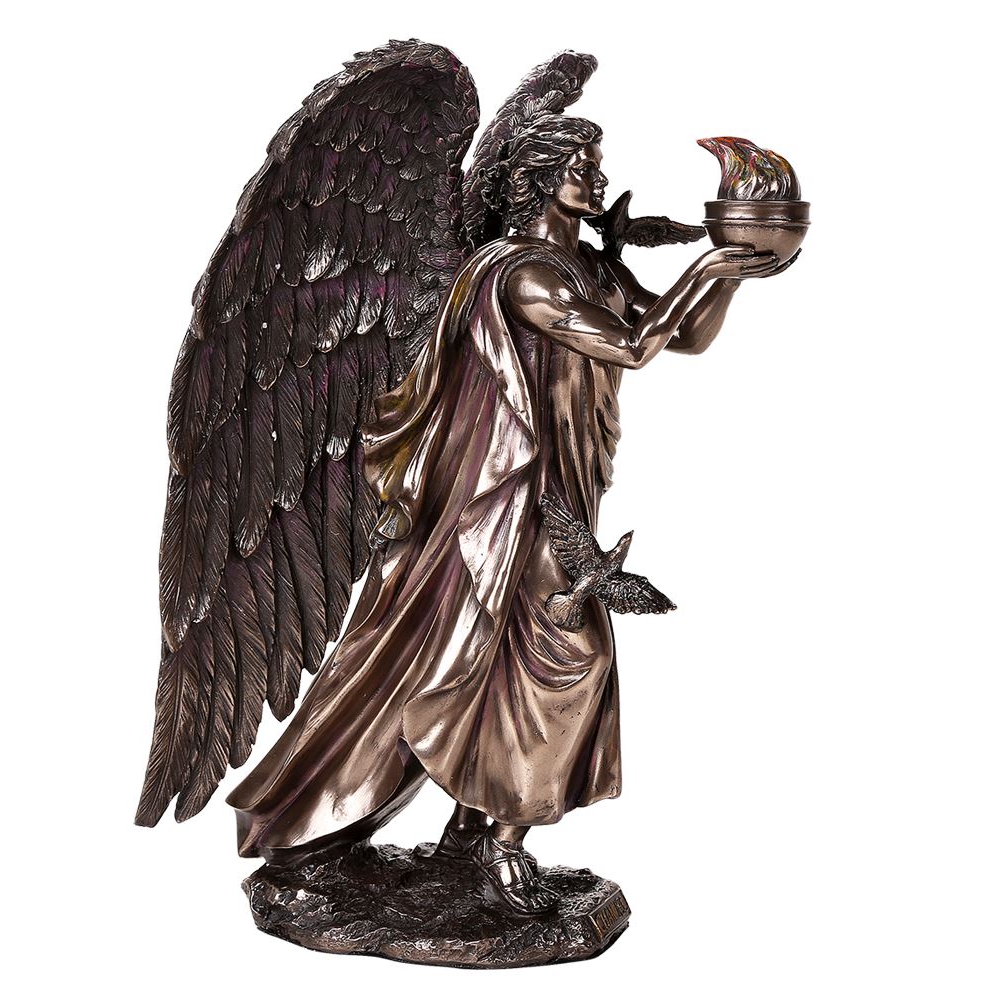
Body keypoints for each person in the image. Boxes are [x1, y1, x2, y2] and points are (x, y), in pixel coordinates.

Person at [227, 113, 785, 915]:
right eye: (582, 165)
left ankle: (471, 838)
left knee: (499, 659)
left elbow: (683, 337)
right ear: (538, 178)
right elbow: (632, 348)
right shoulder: (522, 274)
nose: (598, 178)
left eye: (596, 162)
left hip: (564, 483)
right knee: (569, 652)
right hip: (505, 499)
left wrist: (732, 274)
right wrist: (711, 262)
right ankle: (501, 842)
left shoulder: (585, 265)